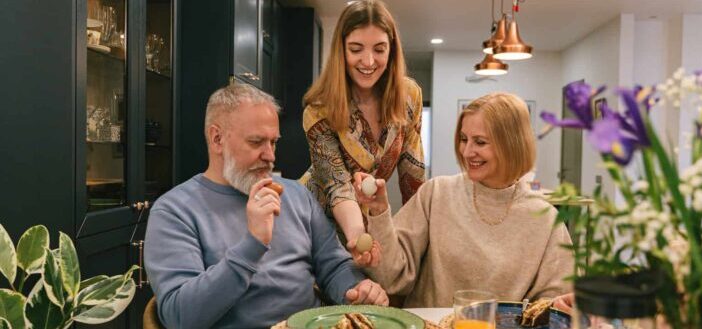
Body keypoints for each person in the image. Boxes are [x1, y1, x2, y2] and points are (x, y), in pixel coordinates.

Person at [144, 84, 389, 329]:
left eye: (273, 142)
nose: (270, 155)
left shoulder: (296, 195)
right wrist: (253, 244)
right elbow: (180, 317)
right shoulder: (174, 211)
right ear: (216, 138)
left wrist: (356, 289)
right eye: (256, 142)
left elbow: (334, 266)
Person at [355, 92, 574, 307]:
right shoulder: (436, 193)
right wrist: (379, 210)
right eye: (463, 139)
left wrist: (558, 305)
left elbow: (555, 303)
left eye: (480, 142)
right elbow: (392, 278)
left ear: (512, 144)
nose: (467, 152)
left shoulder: (546, 220)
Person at [299, 0, 426, 261]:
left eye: (379, 49)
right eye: (356, 49)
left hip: (369, 221)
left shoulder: (409, 97)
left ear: (391, 51)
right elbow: (338, 187)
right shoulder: (318, 109)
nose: (368, 61)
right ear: (341, 51)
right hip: (316, 221)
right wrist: (358, 235)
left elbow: (413, 177)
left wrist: (418, 242)